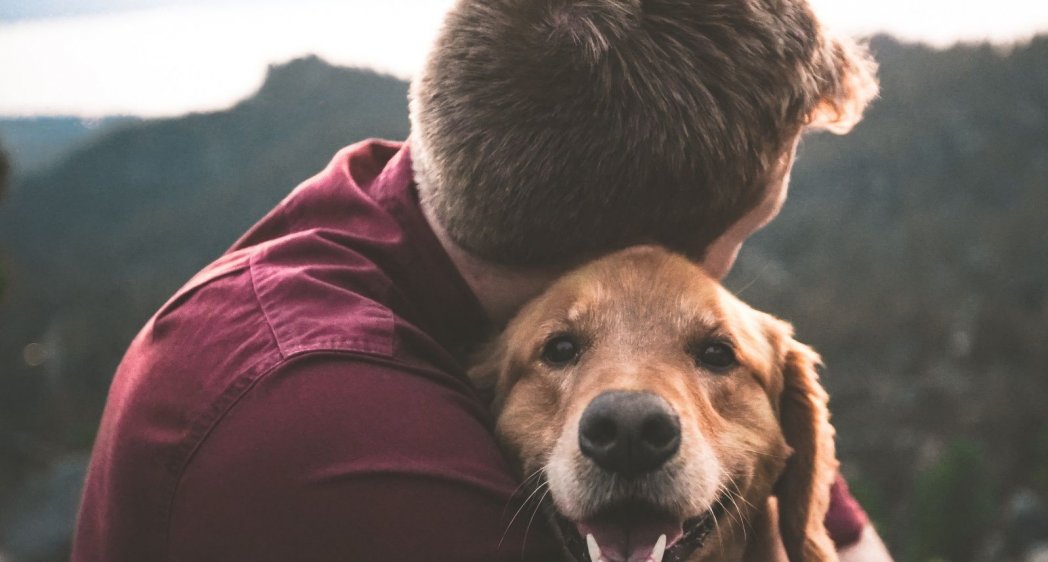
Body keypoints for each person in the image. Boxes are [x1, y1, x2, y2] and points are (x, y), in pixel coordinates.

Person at [72, 0, 889, 560]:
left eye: (707, 346)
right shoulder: (345, 440)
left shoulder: (404, 205)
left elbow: (837, 536)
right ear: (632, 252)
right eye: (742, 237)